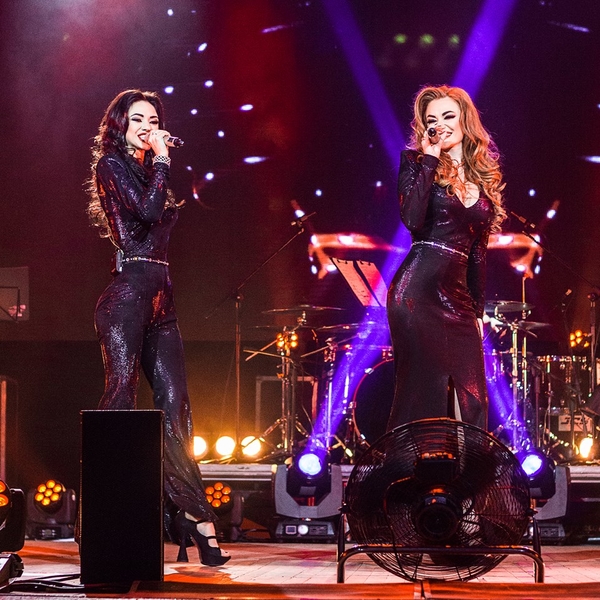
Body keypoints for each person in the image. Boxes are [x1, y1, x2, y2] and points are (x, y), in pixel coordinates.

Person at [86, 89, 230, 567]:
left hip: (162, 302)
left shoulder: (151, 171)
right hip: (126, 298)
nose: (148, 126)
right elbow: (147, 214)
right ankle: (105, 513)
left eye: (153, 119)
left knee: (176, 406)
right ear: (120, 126)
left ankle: (193, 514)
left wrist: (159, 164)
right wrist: (163, 161)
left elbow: (158, 214)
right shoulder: (111, 166)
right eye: (138, 119)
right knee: (121, 399)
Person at [386, 85, 506, 432]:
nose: (440, 125)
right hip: (416, 293)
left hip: (459, 301)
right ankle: (416, 464)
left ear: (465, 120)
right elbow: (412, 219)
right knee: (424, 397)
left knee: (472, 402)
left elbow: (478, 254)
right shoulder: (415, 164)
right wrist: (430, 159)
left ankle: (465, 467)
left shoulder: (482, 179)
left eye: (448, 116)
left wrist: (477, 313)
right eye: (431, 120)